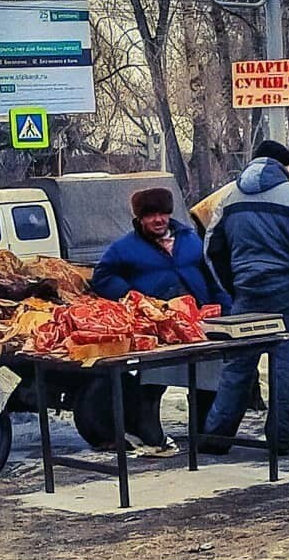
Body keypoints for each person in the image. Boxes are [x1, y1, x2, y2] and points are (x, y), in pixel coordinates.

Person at [200, 140, 289, 456]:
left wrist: (235, 287)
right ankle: (280, 440)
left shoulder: (228, 198)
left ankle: (217, 438)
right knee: (286, 365)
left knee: (238, 367)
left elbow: (212, 250)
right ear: (284, 167)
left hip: (246, 293)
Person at [91, 187, 229, 453]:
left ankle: (205, 434)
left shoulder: (191, 240)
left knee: (206, 377)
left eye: (163, 213)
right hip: (156, 325)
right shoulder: (124, 248)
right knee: (154, 378)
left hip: (197, 319)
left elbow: (212, 275)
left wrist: (223, 305)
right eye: (151, 215)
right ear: (140, 219)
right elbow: (103, 277)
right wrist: (132, 297)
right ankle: (149, 431)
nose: (158, 220)